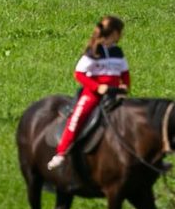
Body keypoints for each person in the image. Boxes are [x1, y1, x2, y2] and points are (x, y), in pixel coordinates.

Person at [47, 15, 129, 171]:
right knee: (77, 118)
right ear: (114, 33)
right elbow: (79, 74)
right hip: (93, 94)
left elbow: (124, 73)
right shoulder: (93, 52)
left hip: (114, 94)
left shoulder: (118, 52)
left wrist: (124, 86)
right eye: (120, 32)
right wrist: (97, 87)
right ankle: (61, 153)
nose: (122, 35)